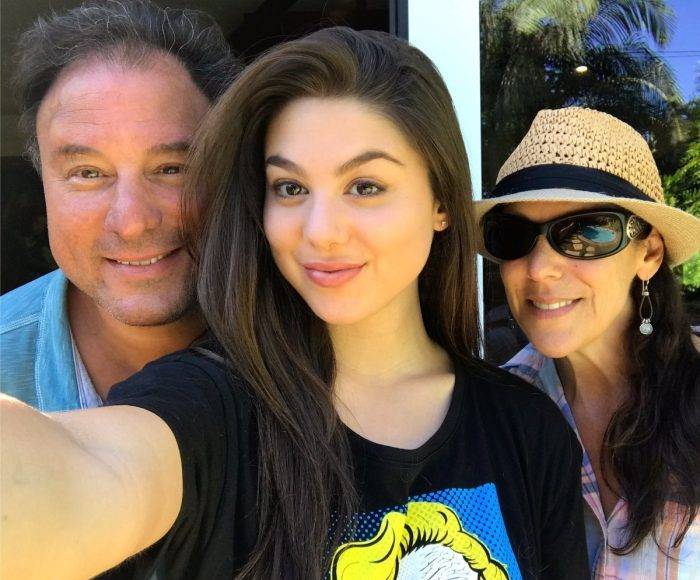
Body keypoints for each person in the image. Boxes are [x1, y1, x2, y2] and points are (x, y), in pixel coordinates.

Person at [1, 28, 588, 579]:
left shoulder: (526, 428)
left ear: (440, 201)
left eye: (364, 187)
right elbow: (85, 476)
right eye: (291, 188)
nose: (320, 231)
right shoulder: (213, 408)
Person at [476, 107, 700, 578]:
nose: (540, 269)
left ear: (649, 253)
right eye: (514, 235)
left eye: (585, 232)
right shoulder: (489, 412)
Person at [0, 0, 238, 410]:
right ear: (43, 184)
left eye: (171, 168)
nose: (132, 222)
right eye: (88, 173)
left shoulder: (322, 346)